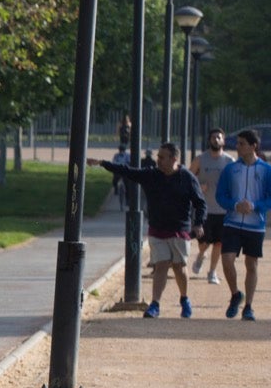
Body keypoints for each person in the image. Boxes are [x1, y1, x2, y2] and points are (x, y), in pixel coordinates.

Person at [91, 141, 205, 318]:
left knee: (179, 267)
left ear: (174, 159)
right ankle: (155, 304)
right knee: (161, 266)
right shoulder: (152, 175)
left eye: (162, 157)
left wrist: (198, 223)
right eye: (158, 156)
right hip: (158, 228)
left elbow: (200, 203)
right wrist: (102, 163)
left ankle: (184, 299)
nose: (157, 160)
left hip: (179, 229)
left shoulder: (187, 178)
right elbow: (127, 171)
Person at [215, 127, 271, 321]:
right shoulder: (231, 169)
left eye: (241, 144)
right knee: (227, 259)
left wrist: (255, 206)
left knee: (251, 265)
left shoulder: (266, 170)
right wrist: (235, 205)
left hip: (255, 225)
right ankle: (235, 294)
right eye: (237, 143)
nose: (237, 147)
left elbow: (270, 198)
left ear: (253, 146)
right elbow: (220, 195)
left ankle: (249, 306)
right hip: (232, 222)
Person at [189, 127, 231, 284]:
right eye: (213, 137)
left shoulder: (229, 161)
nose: (216, 140)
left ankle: (212, 272)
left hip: (222, 209)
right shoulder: (200, 159)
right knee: (204, 242)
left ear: (223, 141)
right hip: (204, 209)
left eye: (219, 137)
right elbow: (189, 178)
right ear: (209, 140)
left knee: (219, 242)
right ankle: (201, 255)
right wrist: (199, 187)